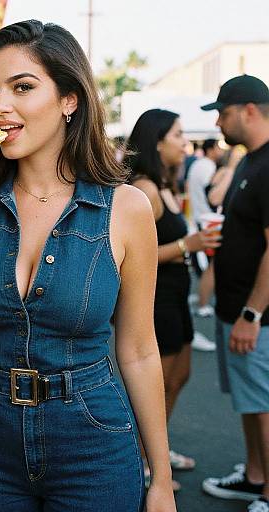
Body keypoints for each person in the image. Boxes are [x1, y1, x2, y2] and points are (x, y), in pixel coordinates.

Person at [0, 20, 175, 511]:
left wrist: (160, 477)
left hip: (93, 442)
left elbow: (139, 349)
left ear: (69, 99)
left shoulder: (125, 208)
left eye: (23, 87)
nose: (0, 106)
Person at [126, 108, 221, 489]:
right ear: (157, 140)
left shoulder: (166, 183)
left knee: (180, 376)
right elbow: (136, 255)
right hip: (155, 299)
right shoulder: (145, 188)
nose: (186, 143)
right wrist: (188, 243)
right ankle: (144, 461)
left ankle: (157, 451)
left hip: (176, 296)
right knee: (155, 385)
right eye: (179, 135)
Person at [199, 75, 269, 512]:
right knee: (251, 400)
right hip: (235, 307)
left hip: (254, 315)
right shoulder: (249, 160)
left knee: (263, 404)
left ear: (247, 110)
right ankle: (255, 477)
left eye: (223, 113)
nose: (219, 123)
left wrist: (252, 313)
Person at [187, 139, 224, 320]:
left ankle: (201, 298)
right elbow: (214, 196)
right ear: (211, 149)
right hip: (208, 221)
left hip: (199, 218)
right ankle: (203, 304)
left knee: (208, 265)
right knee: (212, 266)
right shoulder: (207, 166)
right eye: (218, 147)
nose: (221, 151)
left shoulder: (197, 164)